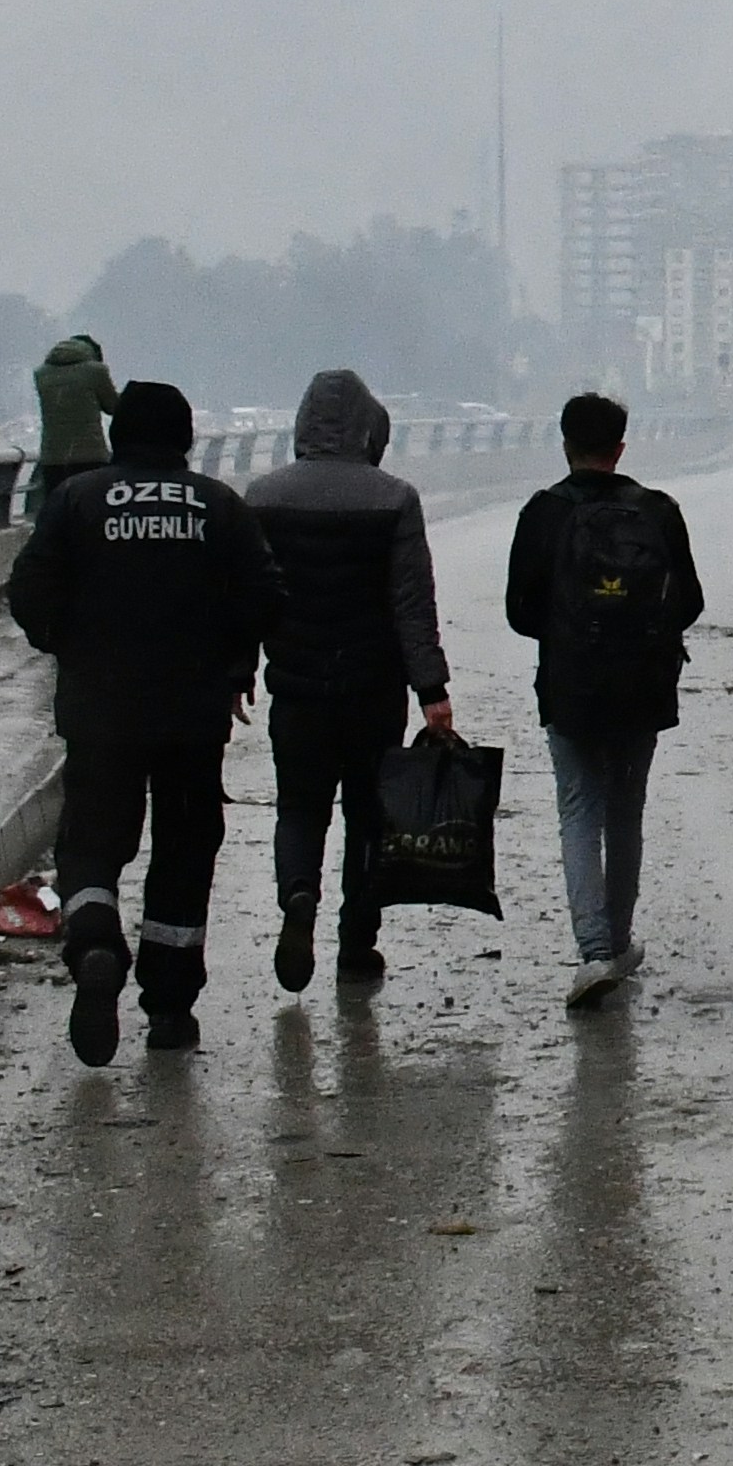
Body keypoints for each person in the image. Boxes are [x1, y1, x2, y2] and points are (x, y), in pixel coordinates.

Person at [0, 377, 279, 1061]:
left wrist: (66, 643)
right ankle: (171, 1007)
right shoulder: (219, 505)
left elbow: (29, 590)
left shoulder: (77, 499)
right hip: (192, 717)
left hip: (101, 711)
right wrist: (232, 663)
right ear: (185, 438)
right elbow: (266, 598)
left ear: (117, 434)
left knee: (92, 842)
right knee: (184, 848)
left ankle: (96, 942)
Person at [243, 365, 455, 997]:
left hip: (296, 687)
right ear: (369, 428)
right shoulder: (395, 498)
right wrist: (432, 689)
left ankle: (298, 897)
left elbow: (246, 597)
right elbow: (412, 603)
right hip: (373, 689)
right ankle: (358, 941)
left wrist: (237, 670)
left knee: (299, 808)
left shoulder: (262, 497)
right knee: (368, 814)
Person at [504, 391, 699, 1011]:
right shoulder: (658, 511)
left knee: (580, 808)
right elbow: (690, 601)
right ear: (620, 448)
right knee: (625, 811)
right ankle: (617, 942)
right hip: (642, 685)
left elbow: (519, 611)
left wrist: (571, 633)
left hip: (572, 686)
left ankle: (593, 953)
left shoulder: (543, 513)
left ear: (565, 444)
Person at [31, 331, 116, 489]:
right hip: (90, 455)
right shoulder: (96, 371)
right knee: (90, 501)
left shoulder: (41, 373)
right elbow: (112, 407)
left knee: (58, 501)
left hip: (53, 457)